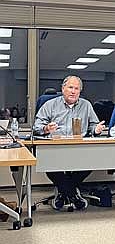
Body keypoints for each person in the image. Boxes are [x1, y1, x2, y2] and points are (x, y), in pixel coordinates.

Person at [34, 75, 105, 211]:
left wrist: (95, 130)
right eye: (70, 87)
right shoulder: (50, 105)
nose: (73, 91)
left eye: (76, 89)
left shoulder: (86, 105)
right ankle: (73, 195)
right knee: (50, 166)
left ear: (80, 91)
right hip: (55, 147)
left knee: (90, 163)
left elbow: (94, 125)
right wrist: (46, 128)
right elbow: (36, 127)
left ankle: (63, 192)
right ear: (63, 88)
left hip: (79, 148)